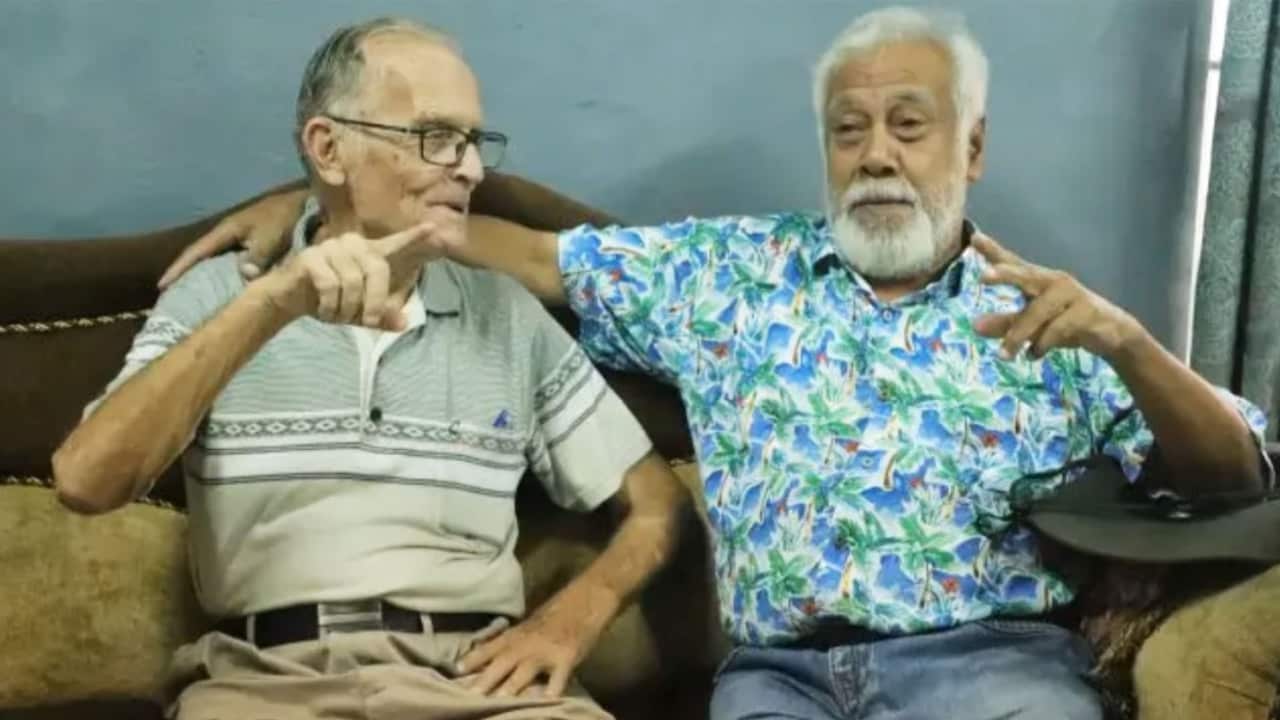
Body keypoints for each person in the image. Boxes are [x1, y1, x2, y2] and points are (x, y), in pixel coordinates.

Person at [161, 7, 1273, 719]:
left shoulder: (1052, 318)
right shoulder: (726, 272)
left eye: (907, 123)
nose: (874, 153)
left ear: (968, 148)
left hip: (990, 675)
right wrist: (319, 203)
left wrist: (1128, 346)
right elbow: (494, 241)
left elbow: (1234, 478)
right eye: (848, 129)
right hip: (774, 683)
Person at [53, 17, 688, 720]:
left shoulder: (507, 315)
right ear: (329, 148)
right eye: (436, 137)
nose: (472, 169)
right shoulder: (215, 297)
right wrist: (272, 304)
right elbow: (86, 481)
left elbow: (658, 506)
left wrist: (573, 617)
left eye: (474, 142)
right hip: (267, 684)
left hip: (476, 683)